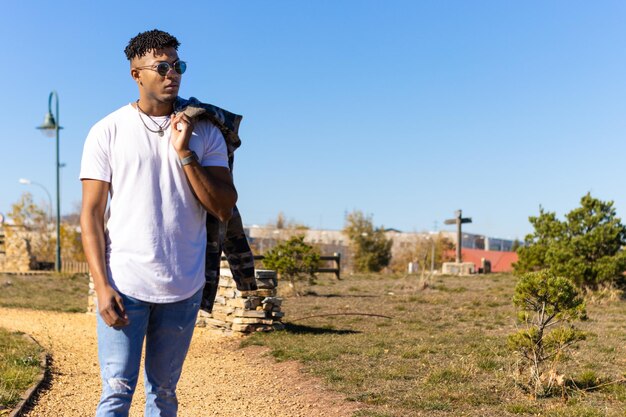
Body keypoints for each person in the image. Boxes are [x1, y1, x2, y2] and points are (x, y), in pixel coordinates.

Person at [80, 29, 237, 417]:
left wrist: (185, 153)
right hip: (124, 284)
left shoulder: (204, 130)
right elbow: (92, 215)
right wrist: (101, 287)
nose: (173, 74)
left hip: (182, 287)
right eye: (162, 66)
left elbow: (223, 206)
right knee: (116, 394)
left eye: (177, 66)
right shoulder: (107, 131)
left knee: (163, 395)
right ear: (136, 74)